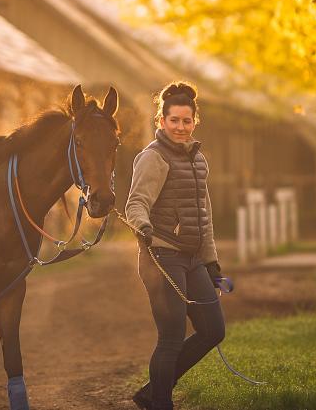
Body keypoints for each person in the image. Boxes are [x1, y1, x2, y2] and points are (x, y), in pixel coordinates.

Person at [125, 81, 232, 409]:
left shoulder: (199, 161)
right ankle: (161, 402)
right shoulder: (152, 158)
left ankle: (151, 392)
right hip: (161, 256)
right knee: (171, 337)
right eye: (174, 120)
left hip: (193, 258)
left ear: (194, 122)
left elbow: (204, 213)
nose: (181, 127)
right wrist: (143, 227)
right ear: (161, 121)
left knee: (213, 330)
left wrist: (211, 262)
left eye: (187, 121)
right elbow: (135, 204)